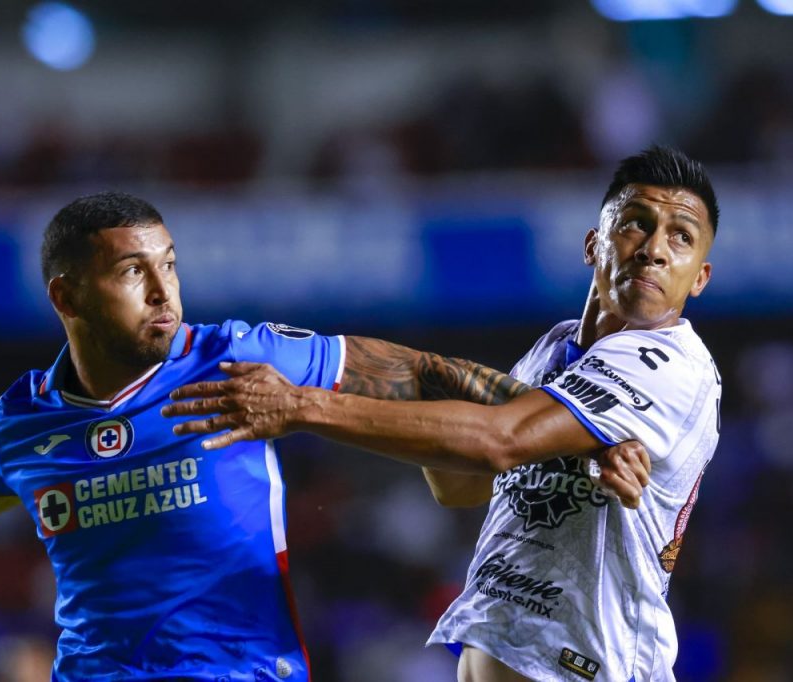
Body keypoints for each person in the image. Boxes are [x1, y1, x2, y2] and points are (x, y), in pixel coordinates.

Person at [0, 191, 647, 681]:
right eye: (133, 272)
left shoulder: (236, 356)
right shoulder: (22, 425)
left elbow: (415, 372)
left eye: (170, 264)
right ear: (67, 296)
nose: (165, 291)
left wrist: (579, 429)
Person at [162, 145, 722, 681]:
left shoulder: (669, 364)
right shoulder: (555, 350)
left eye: (681, 236)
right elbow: (461, 486)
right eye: (636, 223)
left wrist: (304, 406)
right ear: (594, 243)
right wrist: (445, 396)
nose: (654, 248)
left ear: (699, 277)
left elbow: (498, 442)